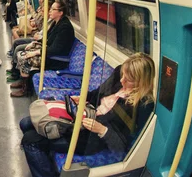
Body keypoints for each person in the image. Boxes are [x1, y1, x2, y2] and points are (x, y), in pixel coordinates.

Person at [19, 53, 156, 177]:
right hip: (83, 116)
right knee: (26, 122)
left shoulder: (141, 105)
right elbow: (97, 93)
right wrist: (84, 98)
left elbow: (122, 144)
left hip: (91, 137)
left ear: (141, 82)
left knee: (30, 140)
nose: (122, 81)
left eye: (129, 80)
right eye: (123, 75)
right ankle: (45, 158)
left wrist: (102, 130)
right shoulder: (118, 75)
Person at [10, 1, 75, 97]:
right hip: (48, 53)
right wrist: (35, 43)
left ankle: (26, 89)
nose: (50, 11)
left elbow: (55, 49)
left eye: (53, 9)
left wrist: (36, 52)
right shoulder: (56, 23)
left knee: (25, 58)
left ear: (60, 12)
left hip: (56, 59)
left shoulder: (65, 27)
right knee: (23, 53)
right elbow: (47, 39)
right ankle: (23, 81)